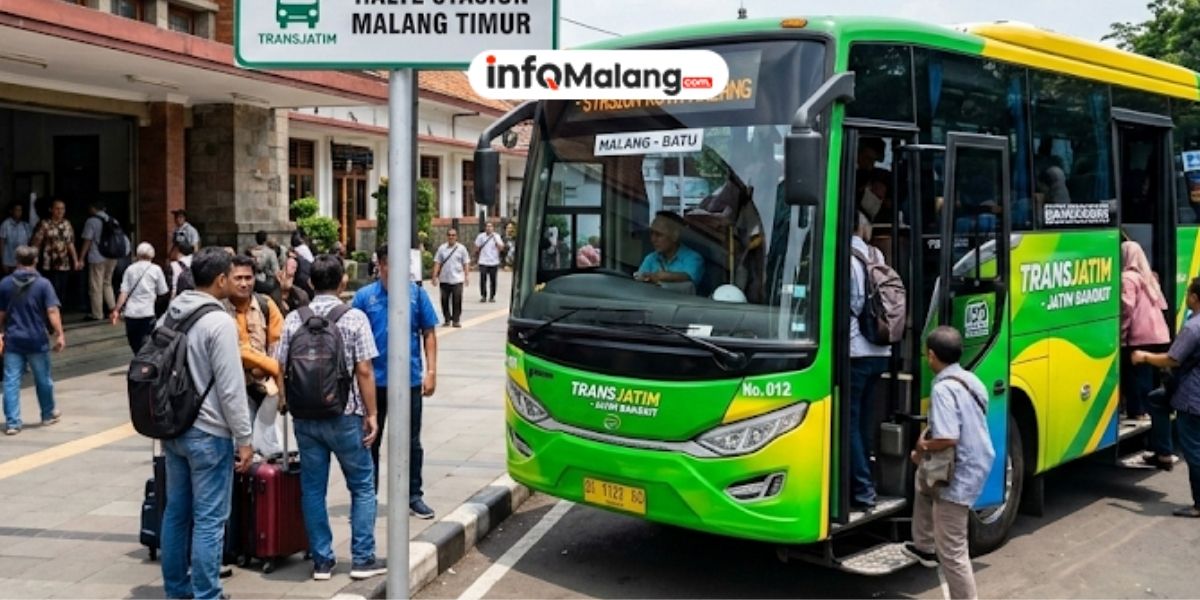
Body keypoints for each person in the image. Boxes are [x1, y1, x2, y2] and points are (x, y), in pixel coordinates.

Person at [275, 255, 385, 581]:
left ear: (310, 283)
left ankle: (322, 561)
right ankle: (363, 559)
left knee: (312, 490)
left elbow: (280, 365)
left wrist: (285, 400)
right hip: (346, 415)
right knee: (362, 487)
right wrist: (373, 414)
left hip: (306, 418)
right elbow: (364, 370)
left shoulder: (294, 319)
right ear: (342, 283)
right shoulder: (354, 318)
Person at [159, 247, 253, 600]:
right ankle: (207, 594)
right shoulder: (218, 322)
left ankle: (176, 591)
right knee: (210, 521)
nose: (235, 280)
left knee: (176, 514)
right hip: (210, 433)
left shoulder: (171, 313)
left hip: (174, 429)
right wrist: (245, 438)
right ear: (220, 280)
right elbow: (231, 389)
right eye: (231, 275)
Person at [903, 326, 995, 600]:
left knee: (953, 552)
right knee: (922, 479)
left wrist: (922, 446)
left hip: (960, 474)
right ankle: (924, 546)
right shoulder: (971, 379)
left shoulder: (943, 389)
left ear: (931, 356)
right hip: (978, 462)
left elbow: (947, 438)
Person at [352, 244, 439, 518]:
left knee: (412, 442)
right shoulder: (365, 297)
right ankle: (369, 497)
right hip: (373, 384)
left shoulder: (416, 294)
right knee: (370, 440)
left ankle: (414, 495)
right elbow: (352, 337)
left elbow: (429, 332)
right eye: (390, 263)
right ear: (380, 264)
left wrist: (431, 372)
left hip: (409, 381)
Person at [1132, 277, 1200, 515]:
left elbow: (1173, 359)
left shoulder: (1193, 328)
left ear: (1194, 297)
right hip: (1187, 393)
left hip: (1191, 398)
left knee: (1194, 451)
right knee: (1156, 399)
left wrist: (1144, 357)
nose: (1187, 296)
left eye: (1189, 293)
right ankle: (1163, 452)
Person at [849, 210, 891, 509]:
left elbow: (853, 303)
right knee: (864, 423)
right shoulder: (875, 253)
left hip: (856, 351)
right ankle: (866, 483)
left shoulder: (846, 258)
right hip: (881, 350)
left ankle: (863, 491)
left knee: (848, 424)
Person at [0, 246, 65, 435]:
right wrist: (59, 334)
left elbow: (1, 313)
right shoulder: (43, 284)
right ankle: (46, 414)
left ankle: (13, 423)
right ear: (35, 261)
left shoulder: (5, 284)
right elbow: (52, 311)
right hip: (37, 339)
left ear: (16, 261)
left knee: (11, 381)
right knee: (43, 379)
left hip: (13, 339)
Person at [225, 255, 286, 458]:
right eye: (238, 278)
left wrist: (270, 370)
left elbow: (279, 344)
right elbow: (237, 350)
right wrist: (273, 366)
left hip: (266, 390)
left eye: (248, 278)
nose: (244, 283)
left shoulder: (266, 304)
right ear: (225, 279)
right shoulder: (219, 308)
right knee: (238, 451)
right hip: (233, 392)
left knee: (268, 451)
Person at [1120, 241, 1170, 421]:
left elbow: (1127, 308)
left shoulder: (1127, 278)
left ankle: (1138, 410)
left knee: (1135, 375)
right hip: (1159, 334)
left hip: (1140, 336)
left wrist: (1121, 332)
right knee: (1150, 376)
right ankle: (1152, 411)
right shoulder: (1146, 275)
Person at [111, 243, 169, 353]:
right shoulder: (156, 269)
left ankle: (139, 361)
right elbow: (163, 291)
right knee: (148, 344)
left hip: (131, 313)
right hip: (148, 312)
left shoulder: (130, 269)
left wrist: (116, 309)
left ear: (137, 255)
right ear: (152, 255)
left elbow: (124, 292)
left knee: (135, 344)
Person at [636, 211, 704, 292]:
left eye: (659, 234)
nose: (653, 239)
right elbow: (639, 283)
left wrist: (664, 276)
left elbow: (689, 281)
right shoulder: (651, 258)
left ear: (675, 235)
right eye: (651, 233)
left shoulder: (693, 259)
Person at [30, 199, 79, 307]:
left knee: (62, 290)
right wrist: (33, 260)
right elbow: (36, 243)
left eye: (62, 209)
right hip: (49, 263)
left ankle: (58, 313)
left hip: (64, 263)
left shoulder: (67, 224)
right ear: (51, 210)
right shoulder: (44, 224)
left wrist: (75, 260)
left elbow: (70, 243)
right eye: (57, 208)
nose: (60, 211)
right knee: (51, 289)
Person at [80, 201, 121, 321]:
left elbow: (87, 240)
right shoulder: (113, 220)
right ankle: (113, 310)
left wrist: (81, 257)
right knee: (107, 283)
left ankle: (97, 314)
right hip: (112, 256)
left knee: (96, 286)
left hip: (97, 257)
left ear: (93, 208)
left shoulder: (91, 221)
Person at [433, 229, 470, 328]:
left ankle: (456, 320)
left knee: (457, 300)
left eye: (453, 235)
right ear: (447, 236)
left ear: (456, 237)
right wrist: (434, 276)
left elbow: (466, 262)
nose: (451, 237)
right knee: (444, 300)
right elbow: (437, 262)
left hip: (457, 279)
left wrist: (466, 276)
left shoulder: (461, 248)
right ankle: (447, 319)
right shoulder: (442, 248)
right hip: (444, 279)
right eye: (449, 235)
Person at [474, 222, 505, 303]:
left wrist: (496, 241)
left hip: (494, 261)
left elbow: (501, 248)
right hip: (483, 261)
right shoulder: (481, 236)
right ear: (485, 228)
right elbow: (476, 247)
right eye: (487, 226)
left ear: (493, 228)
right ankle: (483, 295)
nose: (489, 228)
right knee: (483, 279)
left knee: (493, 280)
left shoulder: (496, 236)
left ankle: (492, 296)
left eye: (490, 226)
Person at [0, 202, 32, 276]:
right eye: (16, 210)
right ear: (11, 211)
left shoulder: (26, 225)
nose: (19, 212)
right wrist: (3, 261)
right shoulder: (6, 224)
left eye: (20, 210)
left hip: (23, 261)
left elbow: (29, 243)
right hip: (9, 261)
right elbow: (2, 243)